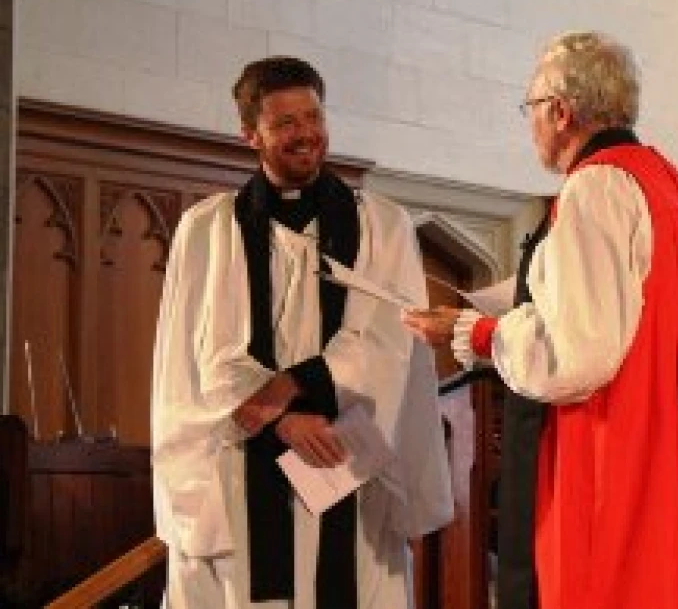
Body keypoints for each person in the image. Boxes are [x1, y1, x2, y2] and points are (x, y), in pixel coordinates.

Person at [404, 31, 678, 609]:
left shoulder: (594, 188)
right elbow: (624, 301)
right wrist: (486, 303)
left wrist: (476, 334)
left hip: (615, 448)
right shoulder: (676, 186)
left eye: (531, 110)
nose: (531, 125)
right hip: (677, 443)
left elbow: (579, 352)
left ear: (561, 111)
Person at [151, 56, 453, 609]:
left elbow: (389, 345)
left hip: (345, 461)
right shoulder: (209, 230)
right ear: (250, 135)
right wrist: (283, 421)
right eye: (284, 123)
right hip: (245, 473)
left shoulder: (382, 225)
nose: (305, 134)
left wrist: (291, 389)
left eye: (312, 116)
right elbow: (202, 359)